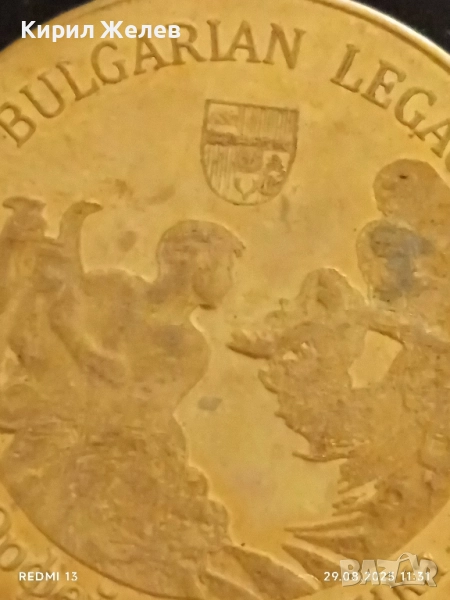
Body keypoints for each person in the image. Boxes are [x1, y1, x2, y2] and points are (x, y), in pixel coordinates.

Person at [0, 200, 314, 600]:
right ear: (197, 266)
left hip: (120, 455)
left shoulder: (189, 348)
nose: (230, 279)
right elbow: (62, 310)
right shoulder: (116, 288)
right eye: (226, 266)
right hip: (66, 453)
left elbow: (135, 411)